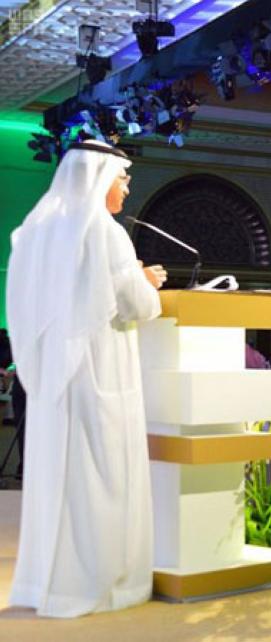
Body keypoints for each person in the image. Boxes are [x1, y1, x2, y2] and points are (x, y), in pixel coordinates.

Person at [7, 140, 167, 618]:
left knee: (64, 476)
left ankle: (50, 584)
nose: (127, 186)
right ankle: (101, 581)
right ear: (99, 179)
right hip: (100, 371)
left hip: (59, 376)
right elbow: (135, 305)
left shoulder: (44, 231)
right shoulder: (106, 231)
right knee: (102, 476)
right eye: (123, 177)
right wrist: (149, 283)